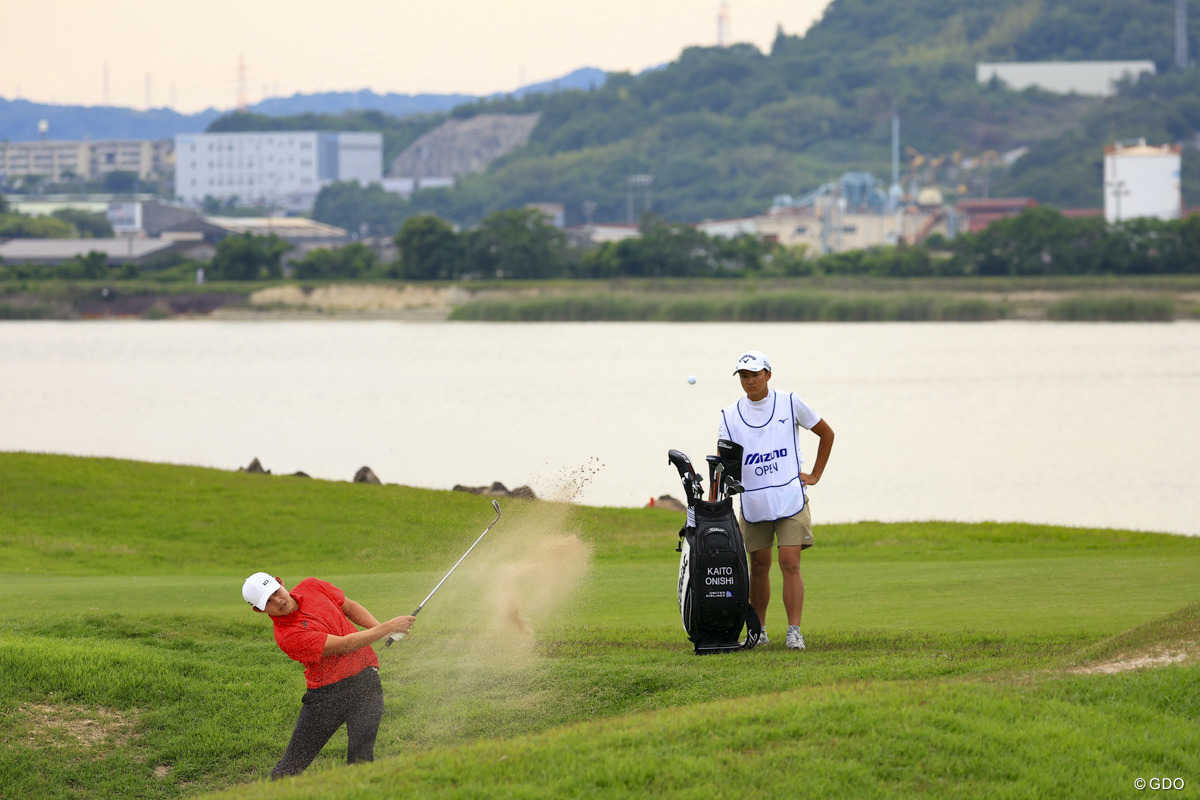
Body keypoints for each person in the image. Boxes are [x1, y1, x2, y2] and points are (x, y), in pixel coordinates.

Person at [241, 572, 415, 779]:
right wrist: (388, 627)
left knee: (361, 761)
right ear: (258, 610)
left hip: (367, 685)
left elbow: (350, 607)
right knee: (289, 770)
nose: (278, 601)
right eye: (268, 602)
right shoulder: (287, 636)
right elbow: (344, 645)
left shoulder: (312, 586)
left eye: (275, 592)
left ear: (281, 582)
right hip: (326, 698)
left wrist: (381, 630)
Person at [718, 350, 834, 652]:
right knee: (758, 565)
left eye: (755, 374)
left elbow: (826, 433)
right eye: (744, 376)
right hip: (754, 502)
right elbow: (723, 461)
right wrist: (715, 496)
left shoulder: (789, 401)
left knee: (789, 563)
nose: (749, 381)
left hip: (789, 497)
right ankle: (759, 631)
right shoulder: (730, 415)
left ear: (768, 374)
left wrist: (815, 474)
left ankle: (794, 632)